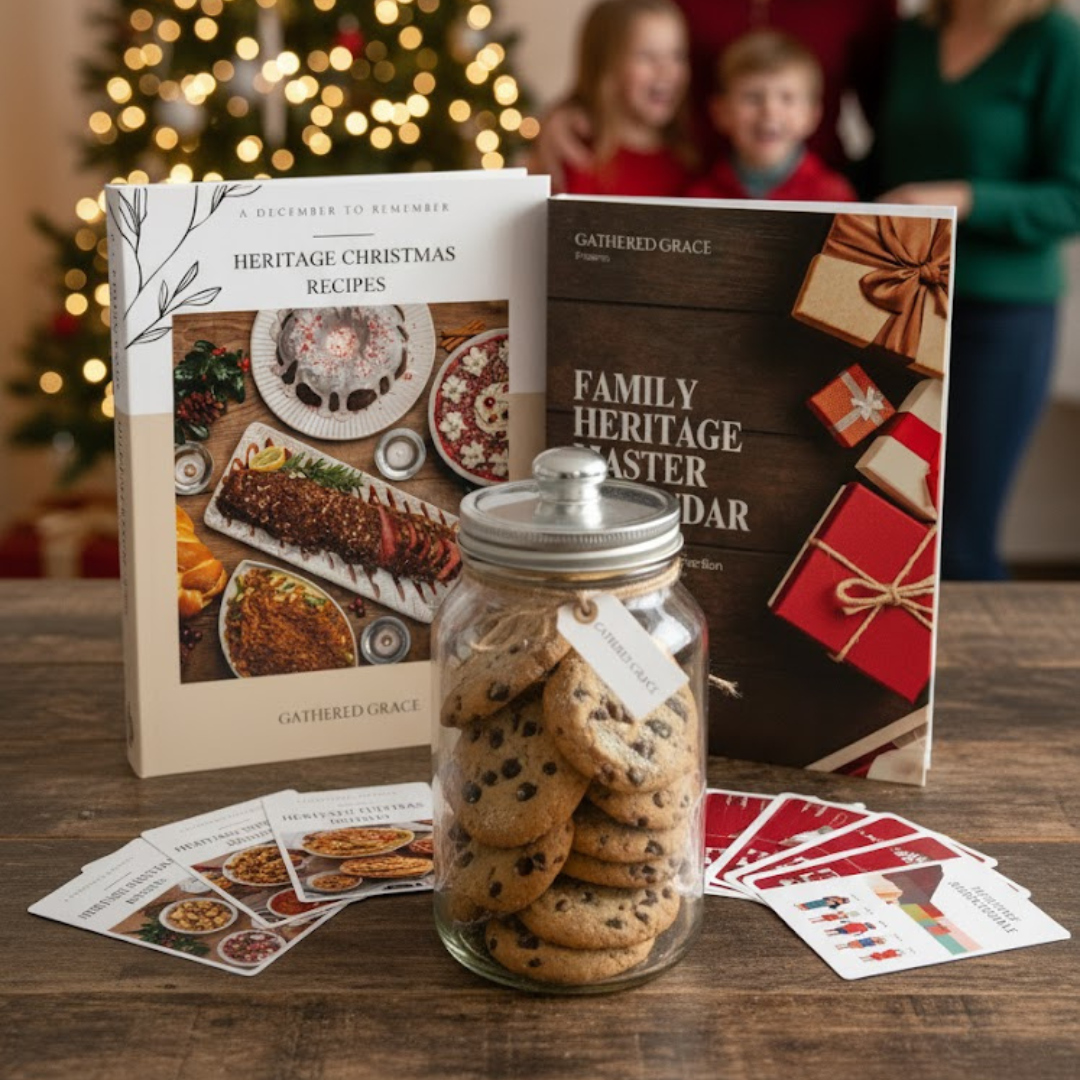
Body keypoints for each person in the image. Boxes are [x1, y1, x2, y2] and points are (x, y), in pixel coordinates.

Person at [873, 0, 1080, 580]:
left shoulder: (1055, 42)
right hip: (900, 302)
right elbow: (879, 165)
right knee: (888, 523)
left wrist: (966, 199)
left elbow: (1072, 195)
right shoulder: (912, 37)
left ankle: (977, 672)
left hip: (1003, 318)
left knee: (959, 540)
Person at [530, 1, 898, 192]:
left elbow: (892, 114)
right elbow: (619, 46)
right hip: (706, 182)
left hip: (814, 196)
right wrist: (571, 108)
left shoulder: (832, 195)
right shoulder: (695, 189)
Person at [685, 30, 856, 202]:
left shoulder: (833, 196)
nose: (770, 110)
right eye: (753, 97)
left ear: (812, 115)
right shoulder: (700, 198)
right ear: (720, 112)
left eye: (787, 98)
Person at [554, 0, 697, 197]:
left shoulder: (691, 163)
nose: (666, 70)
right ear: (606, 66)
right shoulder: (572, 158)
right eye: (647, 56)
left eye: (677, 55)